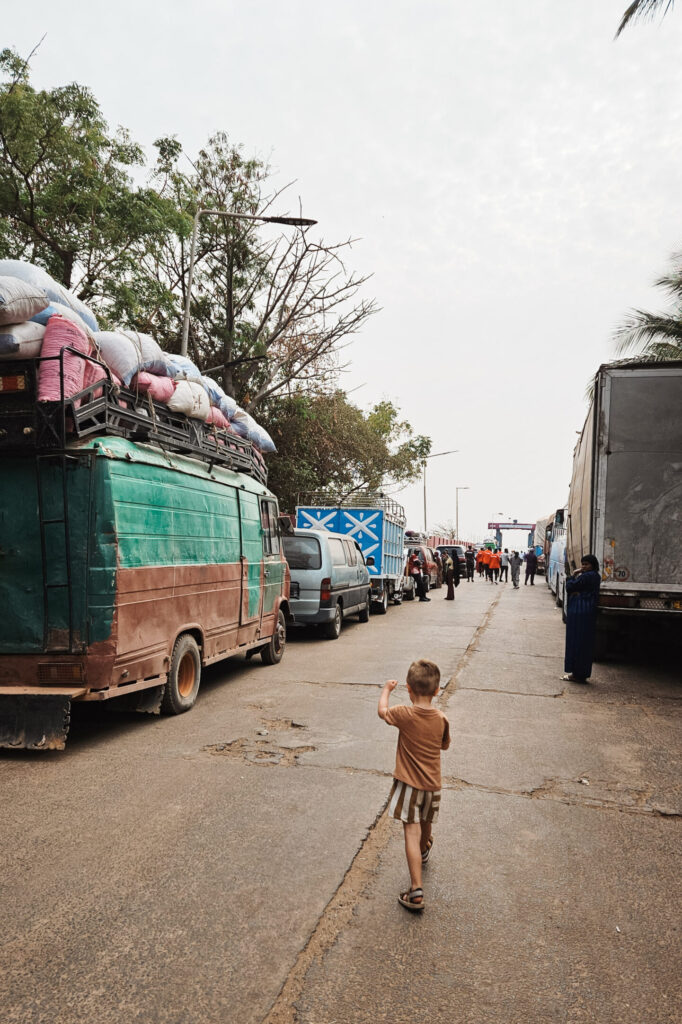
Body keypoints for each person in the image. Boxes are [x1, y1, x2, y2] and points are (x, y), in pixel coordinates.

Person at [378, 659, 450, 912]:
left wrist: (386, 690)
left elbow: (382, 713)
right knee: (427, 822)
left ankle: (416, 889)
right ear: (436, 690)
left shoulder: (404, 714)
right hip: (433, 785)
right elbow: (443, 745)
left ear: (408, 689)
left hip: (409, 784)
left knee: (411, 830)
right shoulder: (441, 719)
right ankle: (425, 848)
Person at [562, 555, 601, 683]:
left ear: (593, 565)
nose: (583, 567)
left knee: (576, 642)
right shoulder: (596, 576)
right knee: (585, 644)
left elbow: (569, 587)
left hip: (579, 612)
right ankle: (582, 674)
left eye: (586, 564)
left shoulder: (586, 576)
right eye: (583, 564)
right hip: (588, 612)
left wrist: (573, 575)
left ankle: (576, 674)